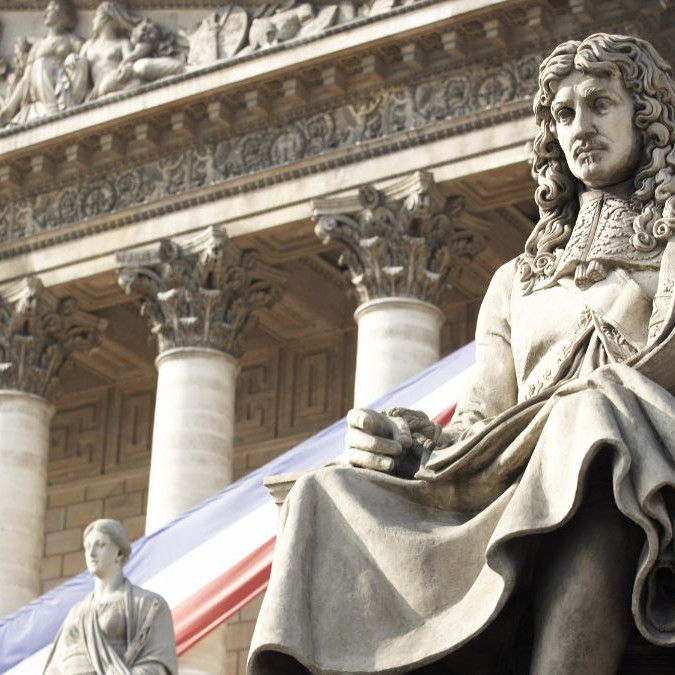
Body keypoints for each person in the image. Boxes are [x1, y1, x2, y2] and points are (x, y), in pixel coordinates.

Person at [248, 33, 675, 674]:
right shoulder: (515, 282)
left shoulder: (670, 247)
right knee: (324, 491)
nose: (580, 127)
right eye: (563, 115)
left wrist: (589, 402)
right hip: (517, 476)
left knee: (593, 426)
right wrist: (408, 443)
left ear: (645, 114)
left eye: (600, 104)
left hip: (634, 465)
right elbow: (481, 425)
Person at [43, 519, 178, 674]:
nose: (91, 553)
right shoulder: (76, 613)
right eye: (87, 546)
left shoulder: (149, 604)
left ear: (119, 553)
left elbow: (158, 667)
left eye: (100, 545)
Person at [0, 0, 82, 126]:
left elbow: (86, 56)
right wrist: (10, 107)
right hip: (38, 87)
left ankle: (53, 108)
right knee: (39, 64)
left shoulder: (71, 40)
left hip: (61, 83)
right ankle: (50, 108)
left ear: (62, 15)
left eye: (50, 10)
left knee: (42, 63)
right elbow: (26, 79)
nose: (45, 14)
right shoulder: (37, 46)